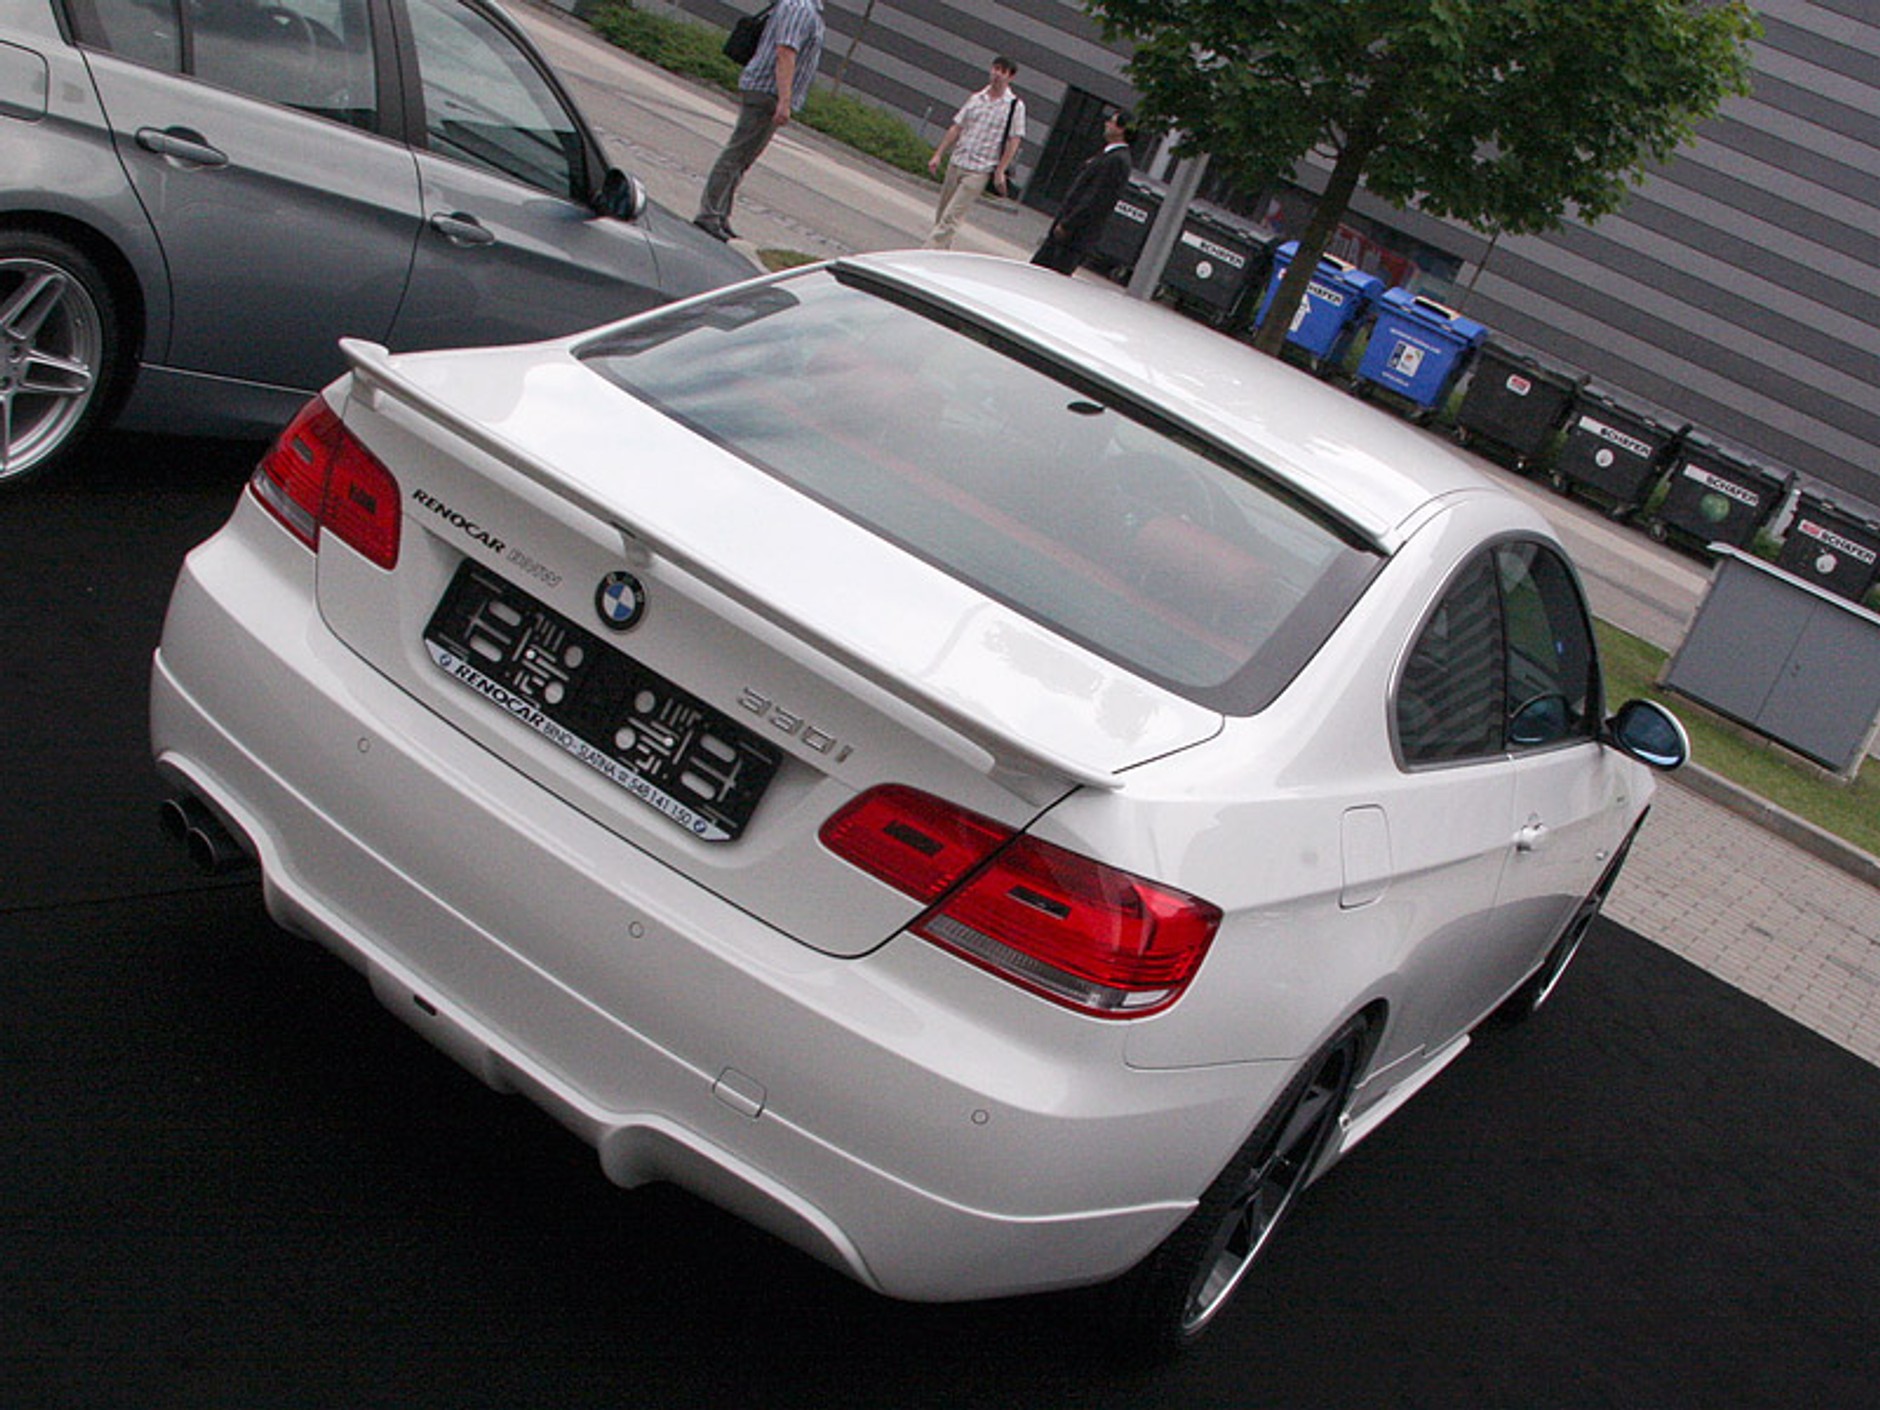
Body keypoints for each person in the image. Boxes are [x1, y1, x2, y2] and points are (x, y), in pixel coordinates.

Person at [695, 0, 827, 242]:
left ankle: (720, 215)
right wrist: (785, 101)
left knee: (742, 160)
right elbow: (785, 52)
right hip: (767, 91)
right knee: (735, 155)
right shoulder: (800, 8)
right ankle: (709, 214)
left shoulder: (809, 11)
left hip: (770, 93)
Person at [925, 57, 1026, 250]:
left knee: (951, 217)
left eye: (1003, 71)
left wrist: (1000, 171)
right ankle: (940, 256)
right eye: (995, 68)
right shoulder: (976, 98)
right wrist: (938, 154)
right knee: (942, 215)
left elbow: (1015, 140)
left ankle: (924, 253)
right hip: (958, 161)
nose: (997, 74)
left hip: (980, 169)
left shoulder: (1015, 106)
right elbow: (957, 127)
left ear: (1010, 77)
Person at [1030, 110, 1135, 276]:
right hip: (1069, 231)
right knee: (1038, 271)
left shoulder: (1117, 160)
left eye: (1112, 122)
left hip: (1074, 235)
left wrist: (1068, 223)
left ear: (1121, 129)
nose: (1106, 124)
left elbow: (1095, 198)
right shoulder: (1108, 155)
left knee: (1050, 275)